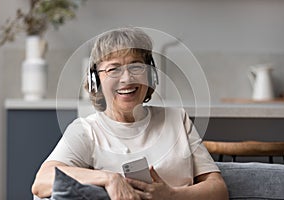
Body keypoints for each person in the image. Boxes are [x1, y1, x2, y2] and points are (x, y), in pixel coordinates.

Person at [32, 27, 228, 200]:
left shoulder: (177, 119)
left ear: (150, 74)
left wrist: (171, 195)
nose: (126, 78)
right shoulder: (86, 130)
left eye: (136, 66)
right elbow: (42, 181)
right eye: (113, 69)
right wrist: (109, 179)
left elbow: (218, 190)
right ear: (96, 81)